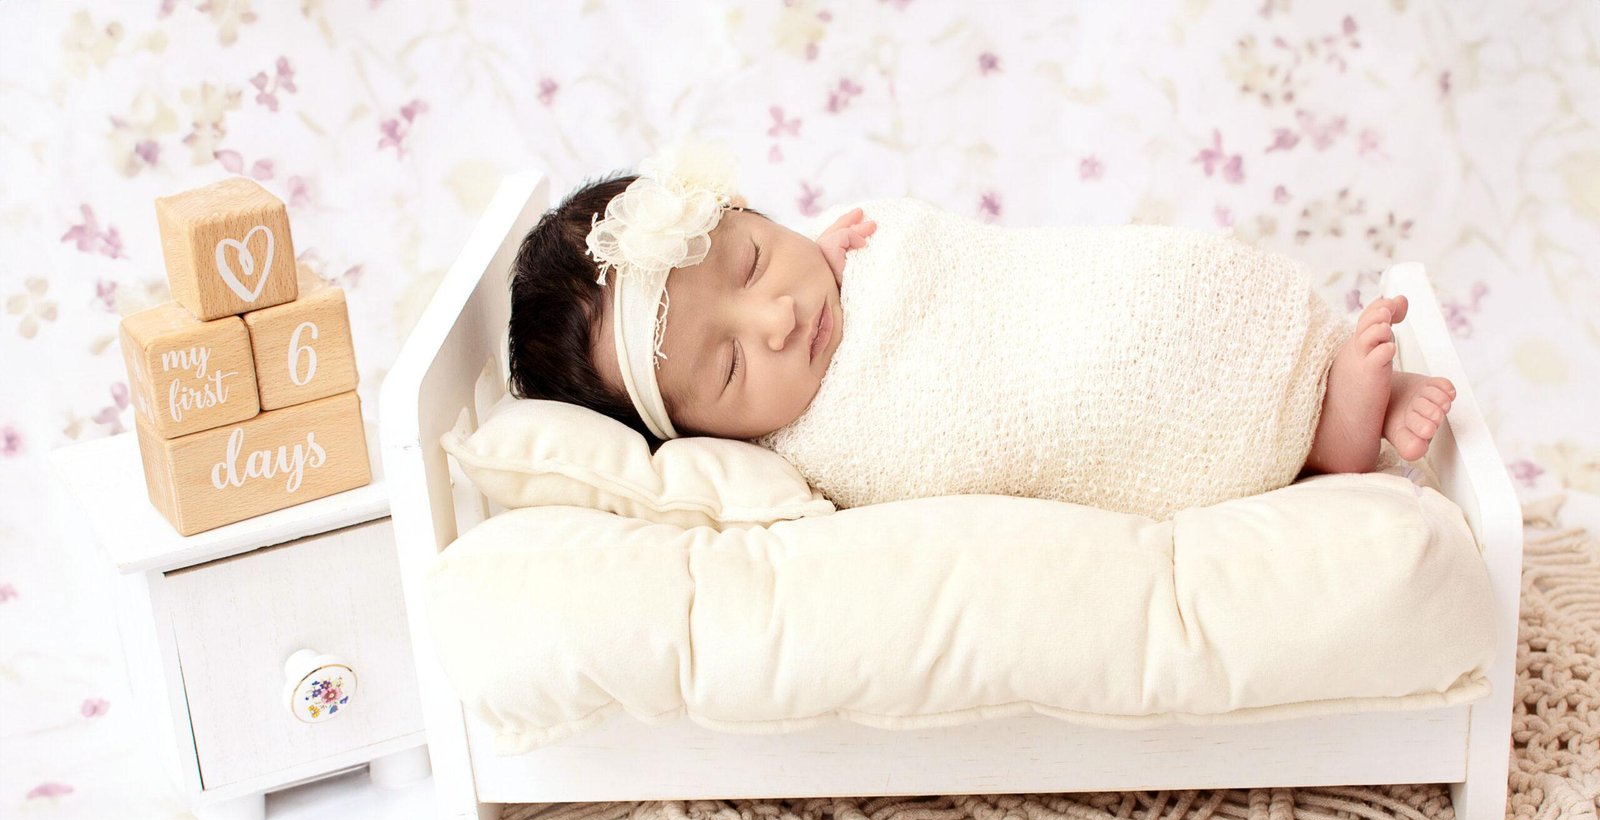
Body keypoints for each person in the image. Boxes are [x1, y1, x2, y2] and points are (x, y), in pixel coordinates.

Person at [508, 137, 1457, 519]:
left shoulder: (834, 260)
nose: (781, 315)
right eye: (726, 367)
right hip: (1078, 398)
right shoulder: (791, 460)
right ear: (702, 434)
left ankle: (1322, 361)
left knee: (1158, 286)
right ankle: (1325, 443)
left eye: (752, 260)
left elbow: (969, 271)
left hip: (1079, 293)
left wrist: (835, 254)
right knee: (1123, 383)